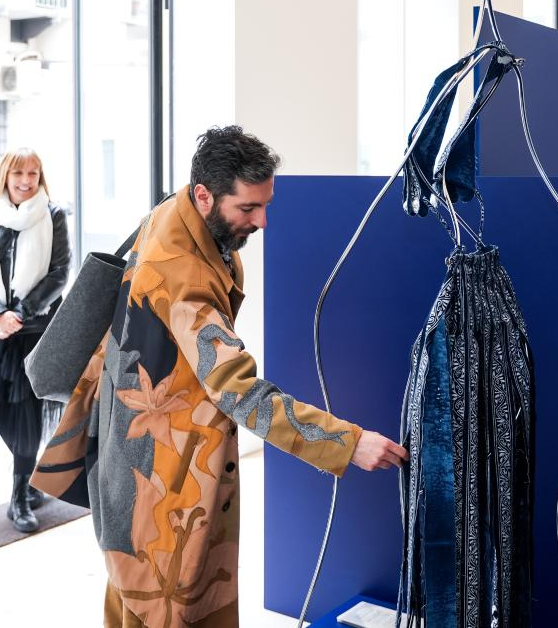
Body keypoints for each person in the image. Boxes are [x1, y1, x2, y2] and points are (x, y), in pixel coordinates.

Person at [32, 126, 407, 626]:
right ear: (205, 194)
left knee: (134, 597)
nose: (263, 221)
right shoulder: (182, 273)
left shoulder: (177, 212)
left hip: (131, 455)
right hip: (164, 474)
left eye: (265, 205)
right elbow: (238, 390)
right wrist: (348, 443)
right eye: (248, 208)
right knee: (171, 602)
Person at [0, 147, 71, 533]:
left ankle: (18, 497)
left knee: (27, 414)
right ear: (5, 177)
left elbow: (60, 272)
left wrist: (20, 314)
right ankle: (29, 477)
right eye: (18, 173)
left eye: (33, 173)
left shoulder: (53, 215)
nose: (26, 181)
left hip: (33, 332)